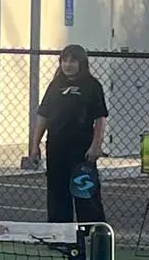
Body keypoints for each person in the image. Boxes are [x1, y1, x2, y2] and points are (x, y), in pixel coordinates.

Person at [29, 44, 108, 224]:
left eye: (73, 61)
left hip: (81, 150)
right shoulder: (55, 85)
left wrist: (95, 146)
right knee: (57, 192)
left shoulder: (92, 86)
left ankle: (91, 233)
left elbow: (100, 118)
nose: (68, 64)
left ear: (81, 63)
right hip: (56, 148)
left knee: (85, 193)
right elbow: (43, 115)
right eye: (64, 60)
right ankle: (59, 233)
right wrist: (35, 145)